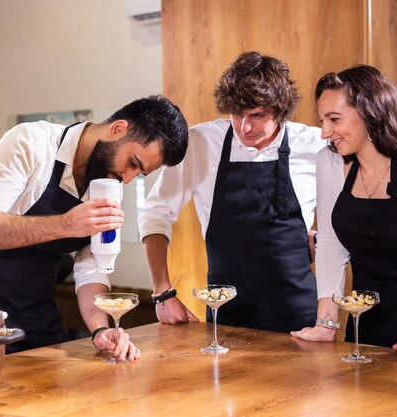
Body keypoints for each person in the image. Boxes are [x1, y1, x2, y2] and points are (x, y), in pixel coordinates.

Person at [0, 95, 189, 360]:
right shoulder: (31, 143)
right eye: (132, 163)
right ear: (118, 129)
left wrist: (100, 329)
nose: (127, 179)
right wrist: (66, 225)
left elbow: (91, 270)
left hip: (35, 311)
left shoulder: (107, 187)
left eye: (138, 174)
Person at [138, 51, 326, 332]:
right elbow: (154, 213)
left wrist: (322, 240)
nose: (245, 127)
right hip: (225, 313)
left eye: (257, 115)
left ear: (281, 109)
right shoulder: (201, 143)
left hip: (297, 315)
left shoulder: (315, 146)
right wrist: (162, 292)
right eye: (236, 115)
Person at [290, 65, 397, 360]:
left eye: (334, 119)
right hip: (366, 320)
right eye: (322, 120)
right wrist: (326, 324)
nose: (324, 132)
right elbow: (331, 244)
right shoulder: (331, 162)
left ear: (372, 113)